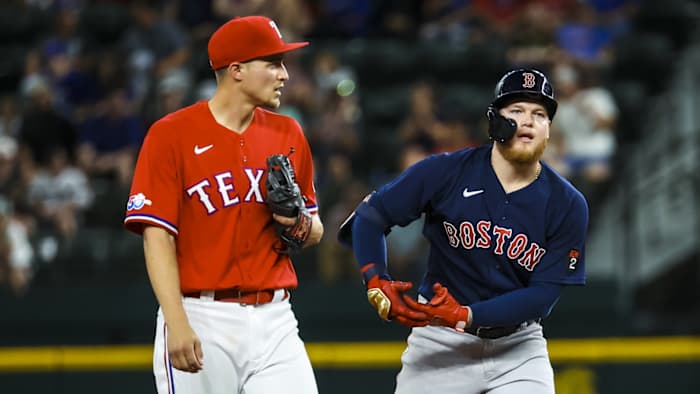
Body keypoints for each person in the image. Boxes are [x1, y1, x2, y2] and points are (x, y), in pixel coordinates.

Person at [339, 68, 589, 393]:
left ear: (549, 130)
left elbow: (543, 296)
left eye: (539, 114)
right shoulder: (445, 171)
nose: (528, 120)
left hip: (518, 347)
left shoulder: (568, 202)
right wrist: (376, 279)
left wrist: (466, 314)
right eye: (516, 111)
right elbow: (370, 218)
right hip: (439, 340)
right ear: (494, 121)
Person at [124, 16, 323, 394]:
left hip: (275, 317)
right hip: (202, 314)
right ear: (236, 70)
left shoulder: (288, 132)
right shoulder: (171, 135)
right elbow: (156, 236)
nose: (284, 74)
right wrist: (176, 320)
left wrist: (295, 220)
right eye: (273, 63)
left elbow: (314, 230)